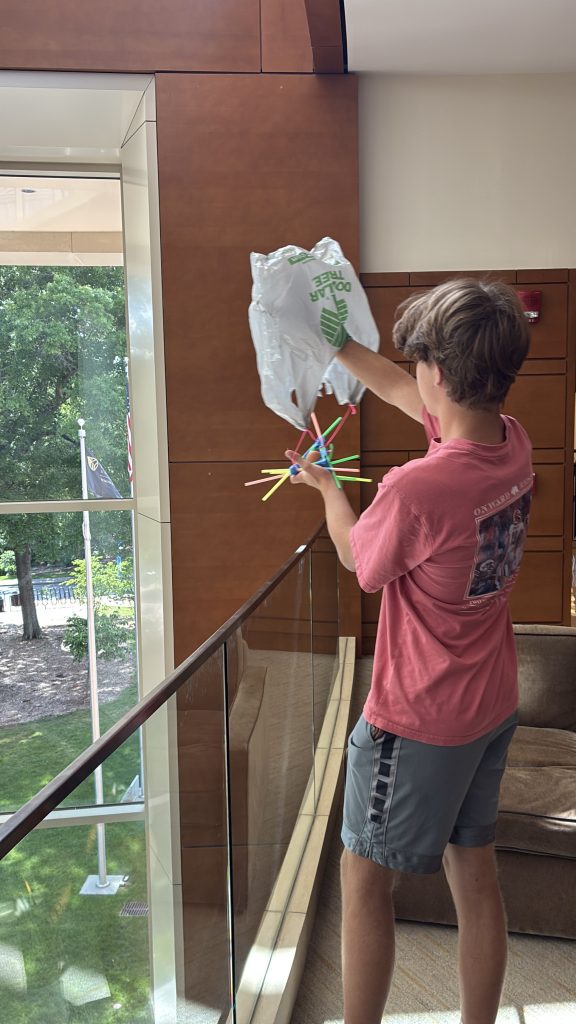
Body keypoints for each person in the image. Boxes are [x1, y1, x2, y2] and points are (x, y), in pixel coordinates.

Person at [285, 278, 532, 1024]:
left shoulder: (419, 488)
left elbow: (360, 564)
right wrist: (337, 344)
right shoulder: (509, 441)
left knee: (362, 881)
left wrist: (327, 489)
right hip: (491, 702)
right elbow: (401, 389)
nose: (411, 374)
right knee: (475, 876)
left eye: (418, 360)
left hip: (421, 717)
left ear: (441, 375)